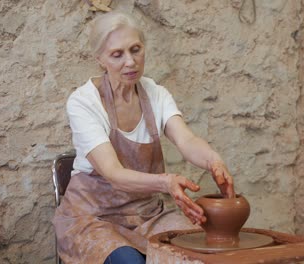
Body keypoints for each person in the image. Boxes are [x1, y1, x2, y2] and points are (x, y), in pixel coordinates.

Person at [52, 11, 235, 264]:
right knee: (130, 262)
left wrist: (213, 160)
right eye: (117, 54)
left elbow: (187, 141)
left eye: (136, 49)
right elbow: (113, 173)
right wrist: (166, 182)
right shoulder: (84, 102)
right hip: (93, 218)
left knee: (197, 253)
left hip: (148, 215)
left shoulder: (155, 94)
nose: (130, 62)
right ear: (100, 59)